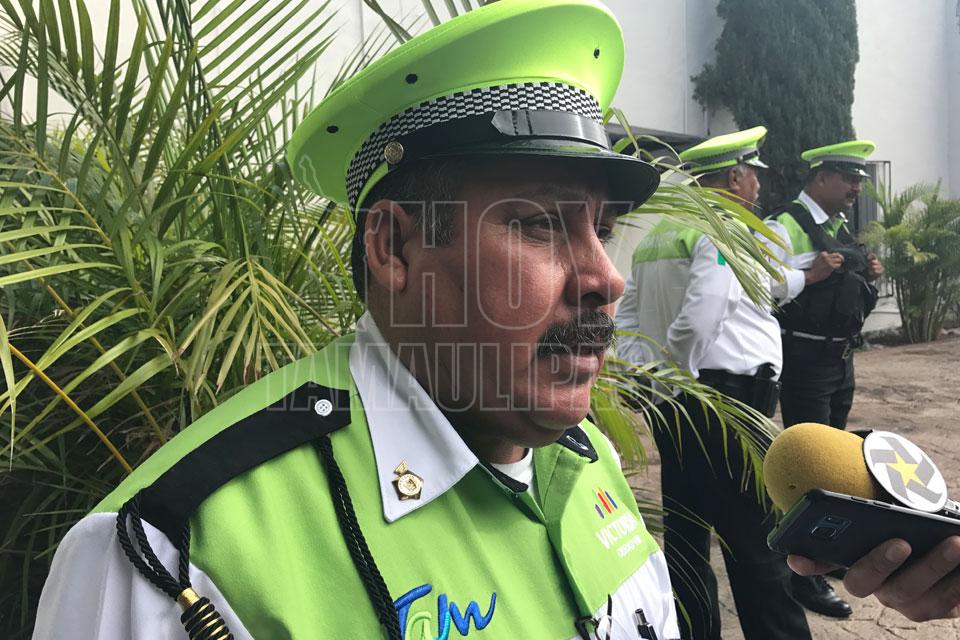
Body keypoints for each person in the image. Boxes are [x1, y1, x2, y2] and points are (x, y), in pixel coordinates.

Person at [32, 2, 682, 638]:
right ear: (394, 247)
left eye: (603, 230)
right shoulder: (179, 551)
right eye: (540, 224)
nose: (607, 278)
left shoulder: (587, 461)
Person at [616, 127, 812, 640]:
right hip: (723, 400)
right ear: (733, 177)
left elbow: (628, 317)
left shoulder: (659, 234)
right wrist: (677, 373)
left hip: (673, 399)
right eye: (753, 176)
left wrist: (650, 376)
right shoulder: (721, 226)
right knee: (755, 541)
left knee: (686, 534)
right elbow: (703, 314)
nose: (758, 187)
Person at [765, 140, 885, 618]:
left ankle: (829, 551)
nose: (856, 188)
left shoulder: (838, 230)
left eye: (859, 180)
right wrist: (811, 275)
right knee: (811, 469)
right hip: (805, 362)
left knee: (836, 462)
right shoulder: (784, 225)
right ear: (821, 178)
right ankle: (803, 575)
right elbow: (762, 289)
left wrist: (869, 275)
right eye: (849, 179)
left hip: (840, 361)